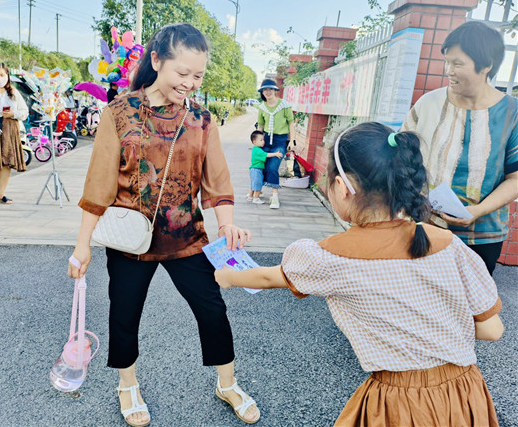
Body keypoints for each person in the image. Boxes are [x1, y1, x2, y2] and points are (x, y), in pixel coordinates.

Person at [216, 122, 504, 426]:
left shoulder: (331, 256)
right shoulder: (448, 244)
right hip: (465, 395)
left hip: (401, 404)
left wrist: (228, 277)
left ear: (342, 187)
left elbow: (267, 277)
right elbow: (492, 329)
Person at [68, 23, 260, 426]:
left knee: (212, 309)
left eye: (198, 76)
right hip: (129, 239)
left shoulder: (201, 119)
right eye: (182, 72)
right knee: (124, 314)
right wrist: (82, 245)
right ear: (156, 61)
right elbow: (99, 184)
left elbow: (217, 181)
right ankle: (127, 386)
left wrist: (227, 225)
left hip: (186, 237)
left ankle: (227, 383)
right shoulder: (119, 112)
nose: (189, 83)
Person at [402, 21, 518, 275]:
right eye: (447, 62)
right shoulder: (428, 103)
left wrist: (476, 211)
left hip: (482, 237)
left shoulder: (512, 113)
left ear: (486, 66)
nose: (449, 71)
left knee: (470, 298)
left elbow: (515, 178)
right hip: (424, 227)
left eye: (457, 64)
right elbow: (402, 157)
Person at [0, 62, 28, 206]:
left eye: (2, 75)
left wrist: (13, 114)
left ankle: (2, 194)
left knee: (6, 163)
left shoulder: (13, 92)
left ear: (7, 75)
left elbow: (24, 112)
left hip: (10, 128)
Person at [256, 78, 295, 209]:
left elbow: (291, 123)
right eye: (265, 90)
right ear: (262, 92)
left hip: (280, 141)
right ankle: (258, 190)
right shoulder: (262, 107)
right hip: (265, 139)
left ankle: (275, 196)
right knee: (261, 165)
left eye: (270, 89)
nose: (268, 92)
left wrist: (292, 141)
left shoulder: (284, 105)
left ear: (275, 91)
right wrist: (257, 142)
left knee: (273, 167)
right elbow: (260, 126)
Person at [247, 129, 282, 204]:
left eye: (263, 140)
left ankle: (250, 197)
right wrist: (275, 154)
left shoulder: (256, 149)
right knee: (258, 184)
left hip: (254, 169)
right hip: (257, 170)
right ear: (254, 142)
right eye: (261, 140)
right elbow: (266, 155)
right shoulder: (258, 150)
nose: (263, 141)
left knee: (253, 184)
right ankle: (256, 198)